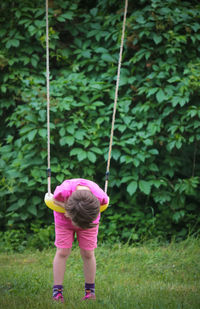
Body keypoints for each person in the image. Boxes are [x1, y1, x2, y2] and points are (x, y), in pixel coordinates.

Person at [52, 178, 109, 302]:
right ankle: (57, 292)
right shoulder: (64, 190)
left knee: (88, 253)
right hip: (64, 220)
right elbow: (54, 199)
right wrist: (67, 208)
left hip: (88, 221)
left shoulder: (100, 195)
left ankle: (90, 292)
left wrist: (86, 220)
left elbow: (105, 203)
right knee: (62, 252)